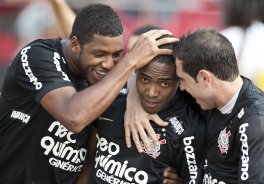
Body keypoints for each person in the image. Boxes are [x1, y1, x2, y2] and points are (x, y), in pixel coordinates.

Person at [0, 3, 177, 183]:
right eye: (100, 54)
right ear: (75, 44)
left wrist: (171, 172)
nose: (109, 64)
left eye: (117, 55)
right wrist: (130, 61)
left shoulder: (105, 76)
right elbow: (74, 117)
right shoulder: (37, 56)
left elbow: (92, 160)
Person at [125, 28, 264, 183]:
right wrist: (133, 104)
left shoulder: (257, 122)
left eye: (183, 80)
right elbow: (143, 69)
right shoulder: (204, 95)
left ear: (204, 78)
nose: (181, 88)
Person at [92, 37, 205, 184]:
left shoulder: (189, 130)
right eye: (145, 79)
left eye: (164, 83)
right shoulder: (110, 99)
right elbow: (88, 156)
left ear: (179, 81)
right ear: (136, 72)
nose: (151, 92)